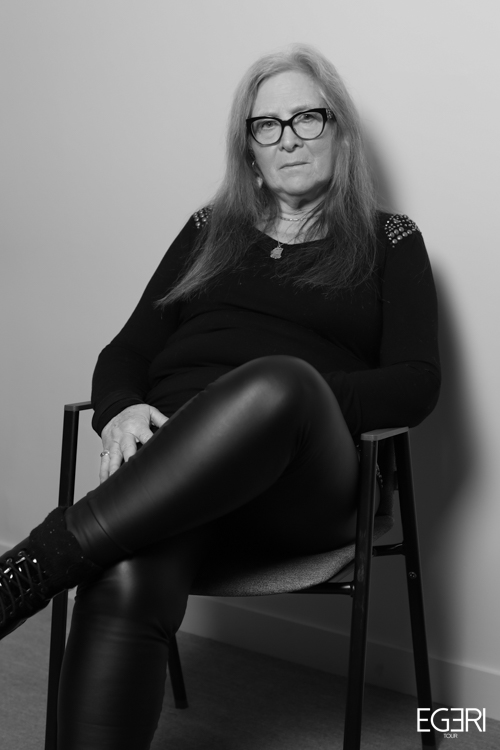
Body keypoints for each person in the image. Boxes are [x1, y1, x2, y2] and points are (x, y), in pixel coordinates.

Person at [0, 44, 440, 748]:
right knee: (125, 570)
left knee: (278, 381)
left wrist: (287, 404)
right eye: (267, 126)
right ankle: (54, 563)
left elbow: (417, 383)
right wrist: (121, 409)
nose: (288, 138)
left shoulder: (390, 240)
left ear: (340, 130)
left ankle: (38, 563)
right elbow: (126, 353)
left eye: (307, 118)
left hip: (301, 484)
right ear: (250, 150)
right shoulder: (211, 230)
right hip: (179, 473)